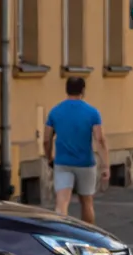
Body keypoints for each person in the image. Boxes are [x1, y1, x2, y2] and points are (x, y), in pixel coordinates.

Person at [43, 76, 108, 224]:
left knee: (62, 202)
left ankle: (61, 232)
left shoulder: (55, 112)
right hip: (86, 163)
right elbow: (100, 139)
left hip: (63, 162)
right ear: (83, 91)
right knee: (87, 203)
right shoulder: (92, 113)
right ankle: (87, 234)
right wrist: (105, 165)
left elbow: (46, 140)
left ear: (66, 90)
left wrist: (49, 158)